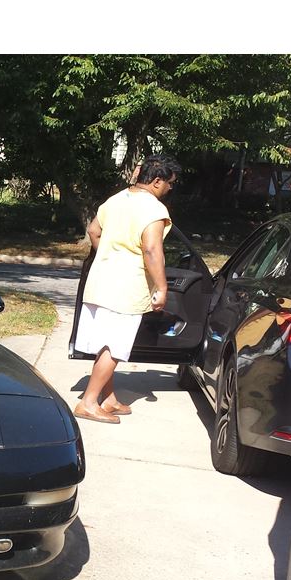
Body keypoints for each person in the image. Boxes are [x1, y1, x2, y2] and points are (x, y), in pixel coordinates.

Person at [73, 154, 182, 423]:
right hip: (126, 286)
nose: (170, 189)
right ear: (157, 181)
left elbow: (93, 230)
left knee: (104, 343)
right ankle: (88, 402)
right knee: (115, 346)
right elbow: (151, 249)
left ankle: (107, 399)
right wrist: (162, 286)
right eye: (170, 183)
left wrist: (109, 254)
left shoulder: (117, 199)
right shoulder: (154, 210)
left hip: (100, 279)